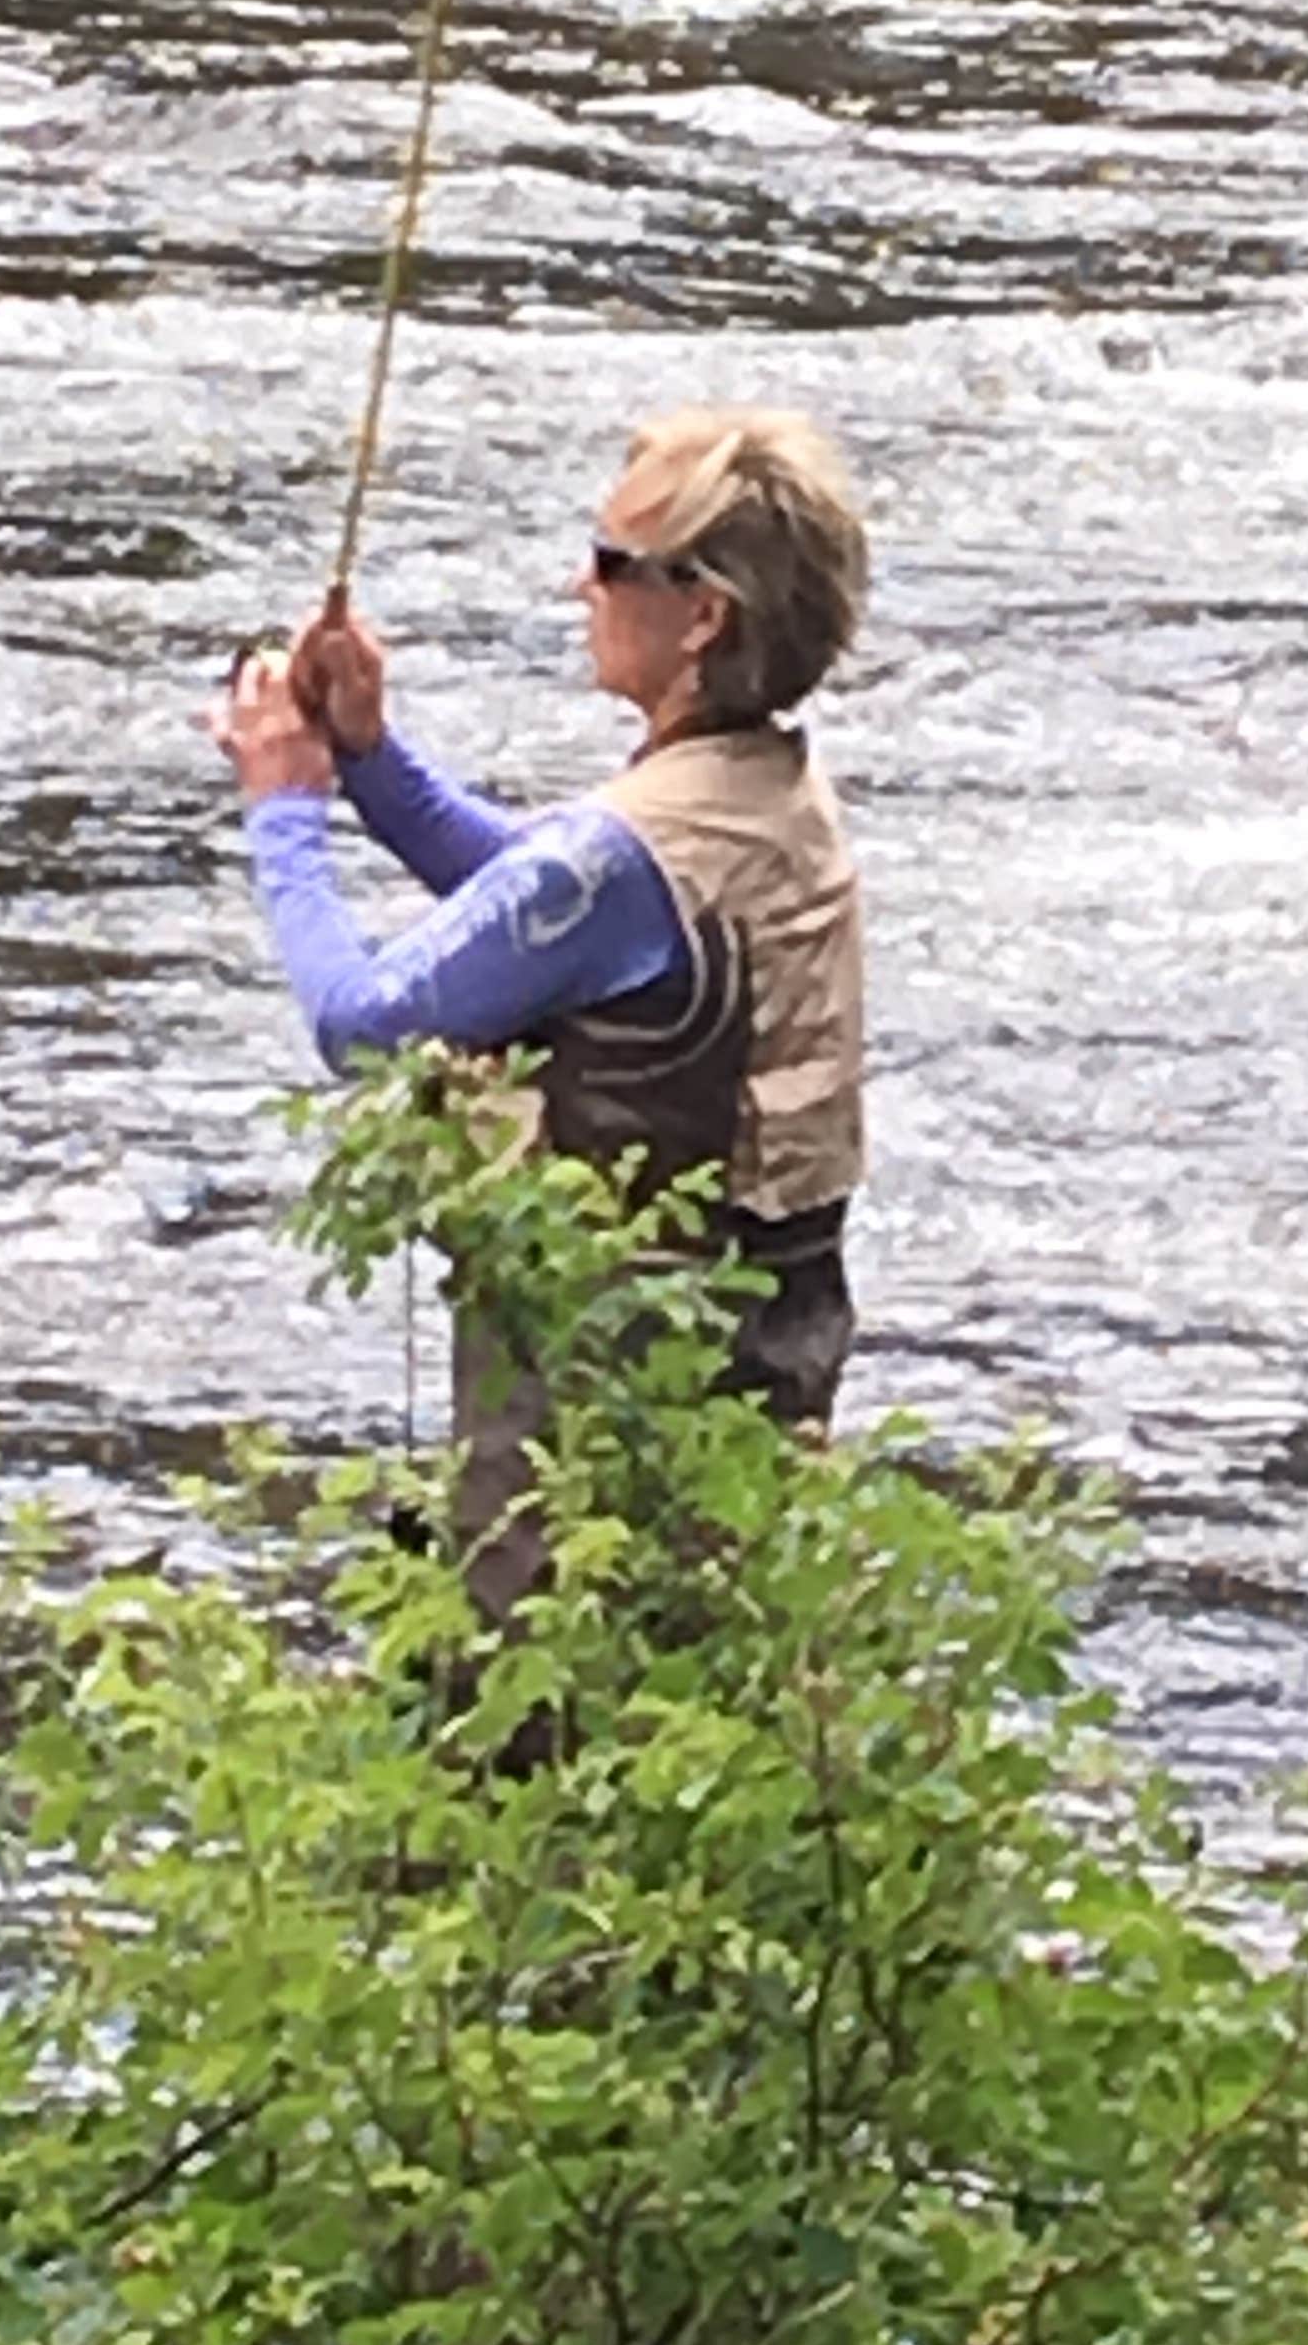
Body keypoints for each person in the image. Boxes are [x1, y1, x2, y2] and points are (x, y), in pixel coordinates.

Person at [212, 403, 868, 1603]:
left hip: (598, 1403)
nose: (582, 584)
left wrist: (285, 805)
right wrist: (371, 759)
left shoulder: (622, 859)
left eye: (613, 562)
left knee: (540, 1686)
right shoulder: (775, 795)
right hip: (758, 1361)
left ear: (704, 615)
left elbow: (362, 1024)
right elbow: (546, 909)